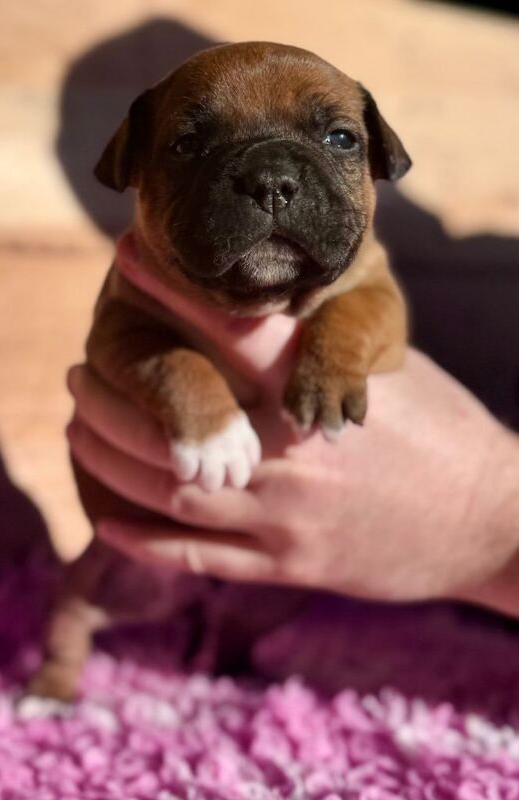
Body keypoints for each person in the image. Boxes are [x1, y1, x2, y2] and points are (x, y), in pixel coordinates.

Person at [66, 232, 519, 617]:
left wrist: (479, 515)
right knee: (97, 598)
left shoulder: (359, 266)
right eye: (189, 145)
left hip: (343, 591)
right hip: (146, 542)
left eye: (337, 140)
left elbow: (374, 305)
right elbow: (118, 339)